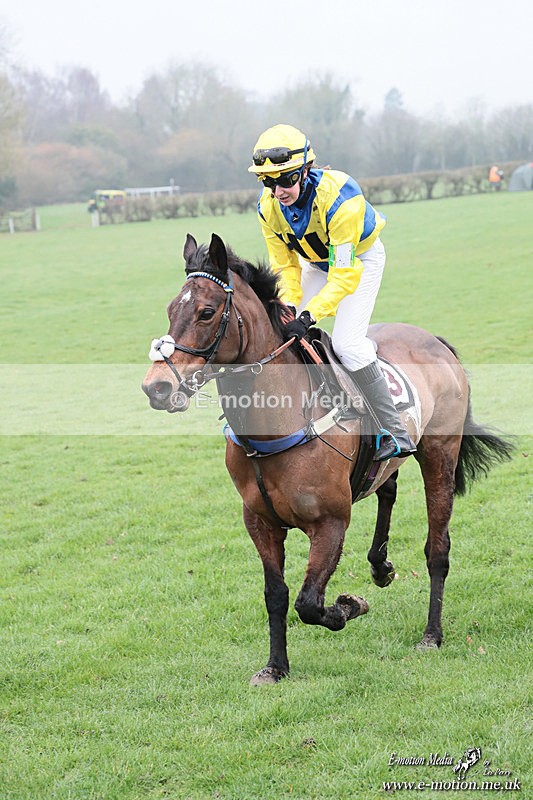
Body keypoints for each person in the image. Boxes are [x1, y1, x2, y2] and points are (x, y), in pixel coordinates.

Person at [248, 123, 416, 461]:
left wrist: (309, 315)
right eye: (268, 181)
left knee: (347, 344)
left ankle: (394, 429)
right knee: (283, 328)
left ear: (306, 170)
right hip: (315, 265)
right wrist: (291, 307)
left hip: (359, 262)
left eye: (286, 179)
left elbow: (342, 275)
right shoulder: (267, 208)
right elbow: (286, 267)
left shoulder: (342, 198)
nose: (278, 190)